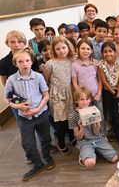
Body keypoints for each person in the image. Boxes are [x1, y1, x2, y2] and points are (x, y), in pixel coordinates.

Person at [4, 49, 54, 181]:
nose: (24, 63)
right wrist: (17, 106)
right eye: (20, 61)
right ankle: (38, 164)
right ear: (16, 64)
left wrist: (37, 109)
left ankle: (47, 156)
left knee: (46, 138)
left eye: (27, 60)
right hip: (24, 117)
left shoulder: (38, 77)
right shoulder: (11, 80)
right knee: (27, 143)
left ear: (31, 62)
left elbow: (46, 95)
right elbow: (8, 98)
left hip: (41, 113)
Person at [68, 87, 118, 168]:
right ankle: (85, 154)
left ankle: (94, 151)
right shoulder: (72, 116)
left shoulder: (94, 110)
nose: (85, 102)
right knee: (90, 163)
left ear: (90, 100)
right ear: (76, 101)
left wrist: (98, 124)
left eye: (87, 99)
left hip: (98, 138)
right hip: (84, 141)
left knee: (114, 158)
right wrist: (82, 127)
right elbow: (78, 137)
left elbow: (96, 132)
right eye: (82, 99)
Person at [43, 36, 76, 155]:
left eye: (64, 47)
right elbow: (45, 80)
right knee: (60, 120)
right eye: (58, 49)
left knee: (71, 117)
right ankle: (61, 142)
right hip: (56, 94)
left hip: (70, 93)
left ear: (68, 47)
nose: (62, 51)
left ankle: (72, 137)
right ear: (53, 50)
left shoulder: (72, 60)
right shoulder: (50, 63)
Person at [71, 39, 104, 133]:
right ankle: (87, 137)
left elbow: (100, 79)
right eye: (83, 48)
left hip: (96, 95)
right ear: (78, 50)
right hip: (84, 99)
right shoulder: (74, 65)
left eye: (88, 49)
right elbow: (74, 82)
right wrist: (81, 97)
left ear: (92, 50)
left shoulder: (96, 63)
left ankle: (102, 135)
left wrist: (99, 93)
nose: (86, 51)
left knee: (99, 115)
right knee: (85, 117)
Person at [98, 42, 119, 148]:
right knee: (111, 114)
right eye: (105, 52)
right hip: (108, 92)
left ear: (115, 52)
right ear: (102, 53)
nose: (108, 54)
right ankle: (116, 134)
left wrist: (118, 92)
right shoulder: (101, 64)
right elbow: (103, 80)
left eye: (110, 51)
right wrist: (112, 91)